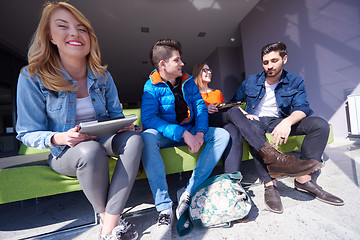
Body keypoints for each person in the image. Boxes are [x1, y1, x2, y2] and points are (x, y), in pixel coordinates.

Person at [15, 2, 143, 240]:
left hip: (102, 140)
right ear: (50, 36)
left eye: (81, 28)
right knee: (89, 150)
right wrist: (62, 137)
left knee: (134, 139)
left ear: (90, 37)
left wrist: (122, 124)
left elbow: (114, 115)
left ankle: (108, 226)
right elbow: (26, 132)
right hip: (66, 151)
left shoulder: (103, 76)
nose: (74, 33)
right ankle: (107, 217)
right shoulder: (32, 76)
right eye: (62, 26)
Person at [232, 42, 344, 213]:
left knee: (320, 125)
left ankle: (303, 179)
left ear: (284, 59)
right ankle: (270, 185)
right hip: (256, 120)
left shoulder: (295, 81)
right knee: (253, 129)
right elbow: (234, 102)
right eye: (265, 62)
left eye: (274, 60)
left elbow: (303, 107)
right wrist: (244, 114)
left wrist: (287, 122)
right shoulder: (251, 81)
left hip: (280, 119)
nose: (269, 66)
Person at [141, 39, 230, 239]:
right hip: (167, 135)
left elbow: (200, 107)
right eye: (177, 60)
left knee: (222, 134)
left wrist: (199, 132)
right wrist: (182, 134)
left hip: (191, 130)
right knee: (146, 137)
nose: (182, 64)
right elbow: (148, 119)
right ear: (162, 64)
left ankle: (188, 192)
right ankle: (164, 207)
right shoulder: (151, 86)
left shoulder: (188, 82)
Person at [193, 62, 321, 179]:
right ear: (198, 73)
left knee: (233, 129)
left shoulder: (217, 92)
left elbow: (226, 108)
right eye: (205, 70)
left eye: (210, 70)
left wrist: (244, 114)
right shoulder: (193, 92)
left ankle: (231, 180)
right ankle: (272, 156)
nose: (209, 72)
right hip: (203, 120)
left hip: (219, 119)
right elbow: (189, 113)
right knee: (233, 112)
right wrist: (205, 109)